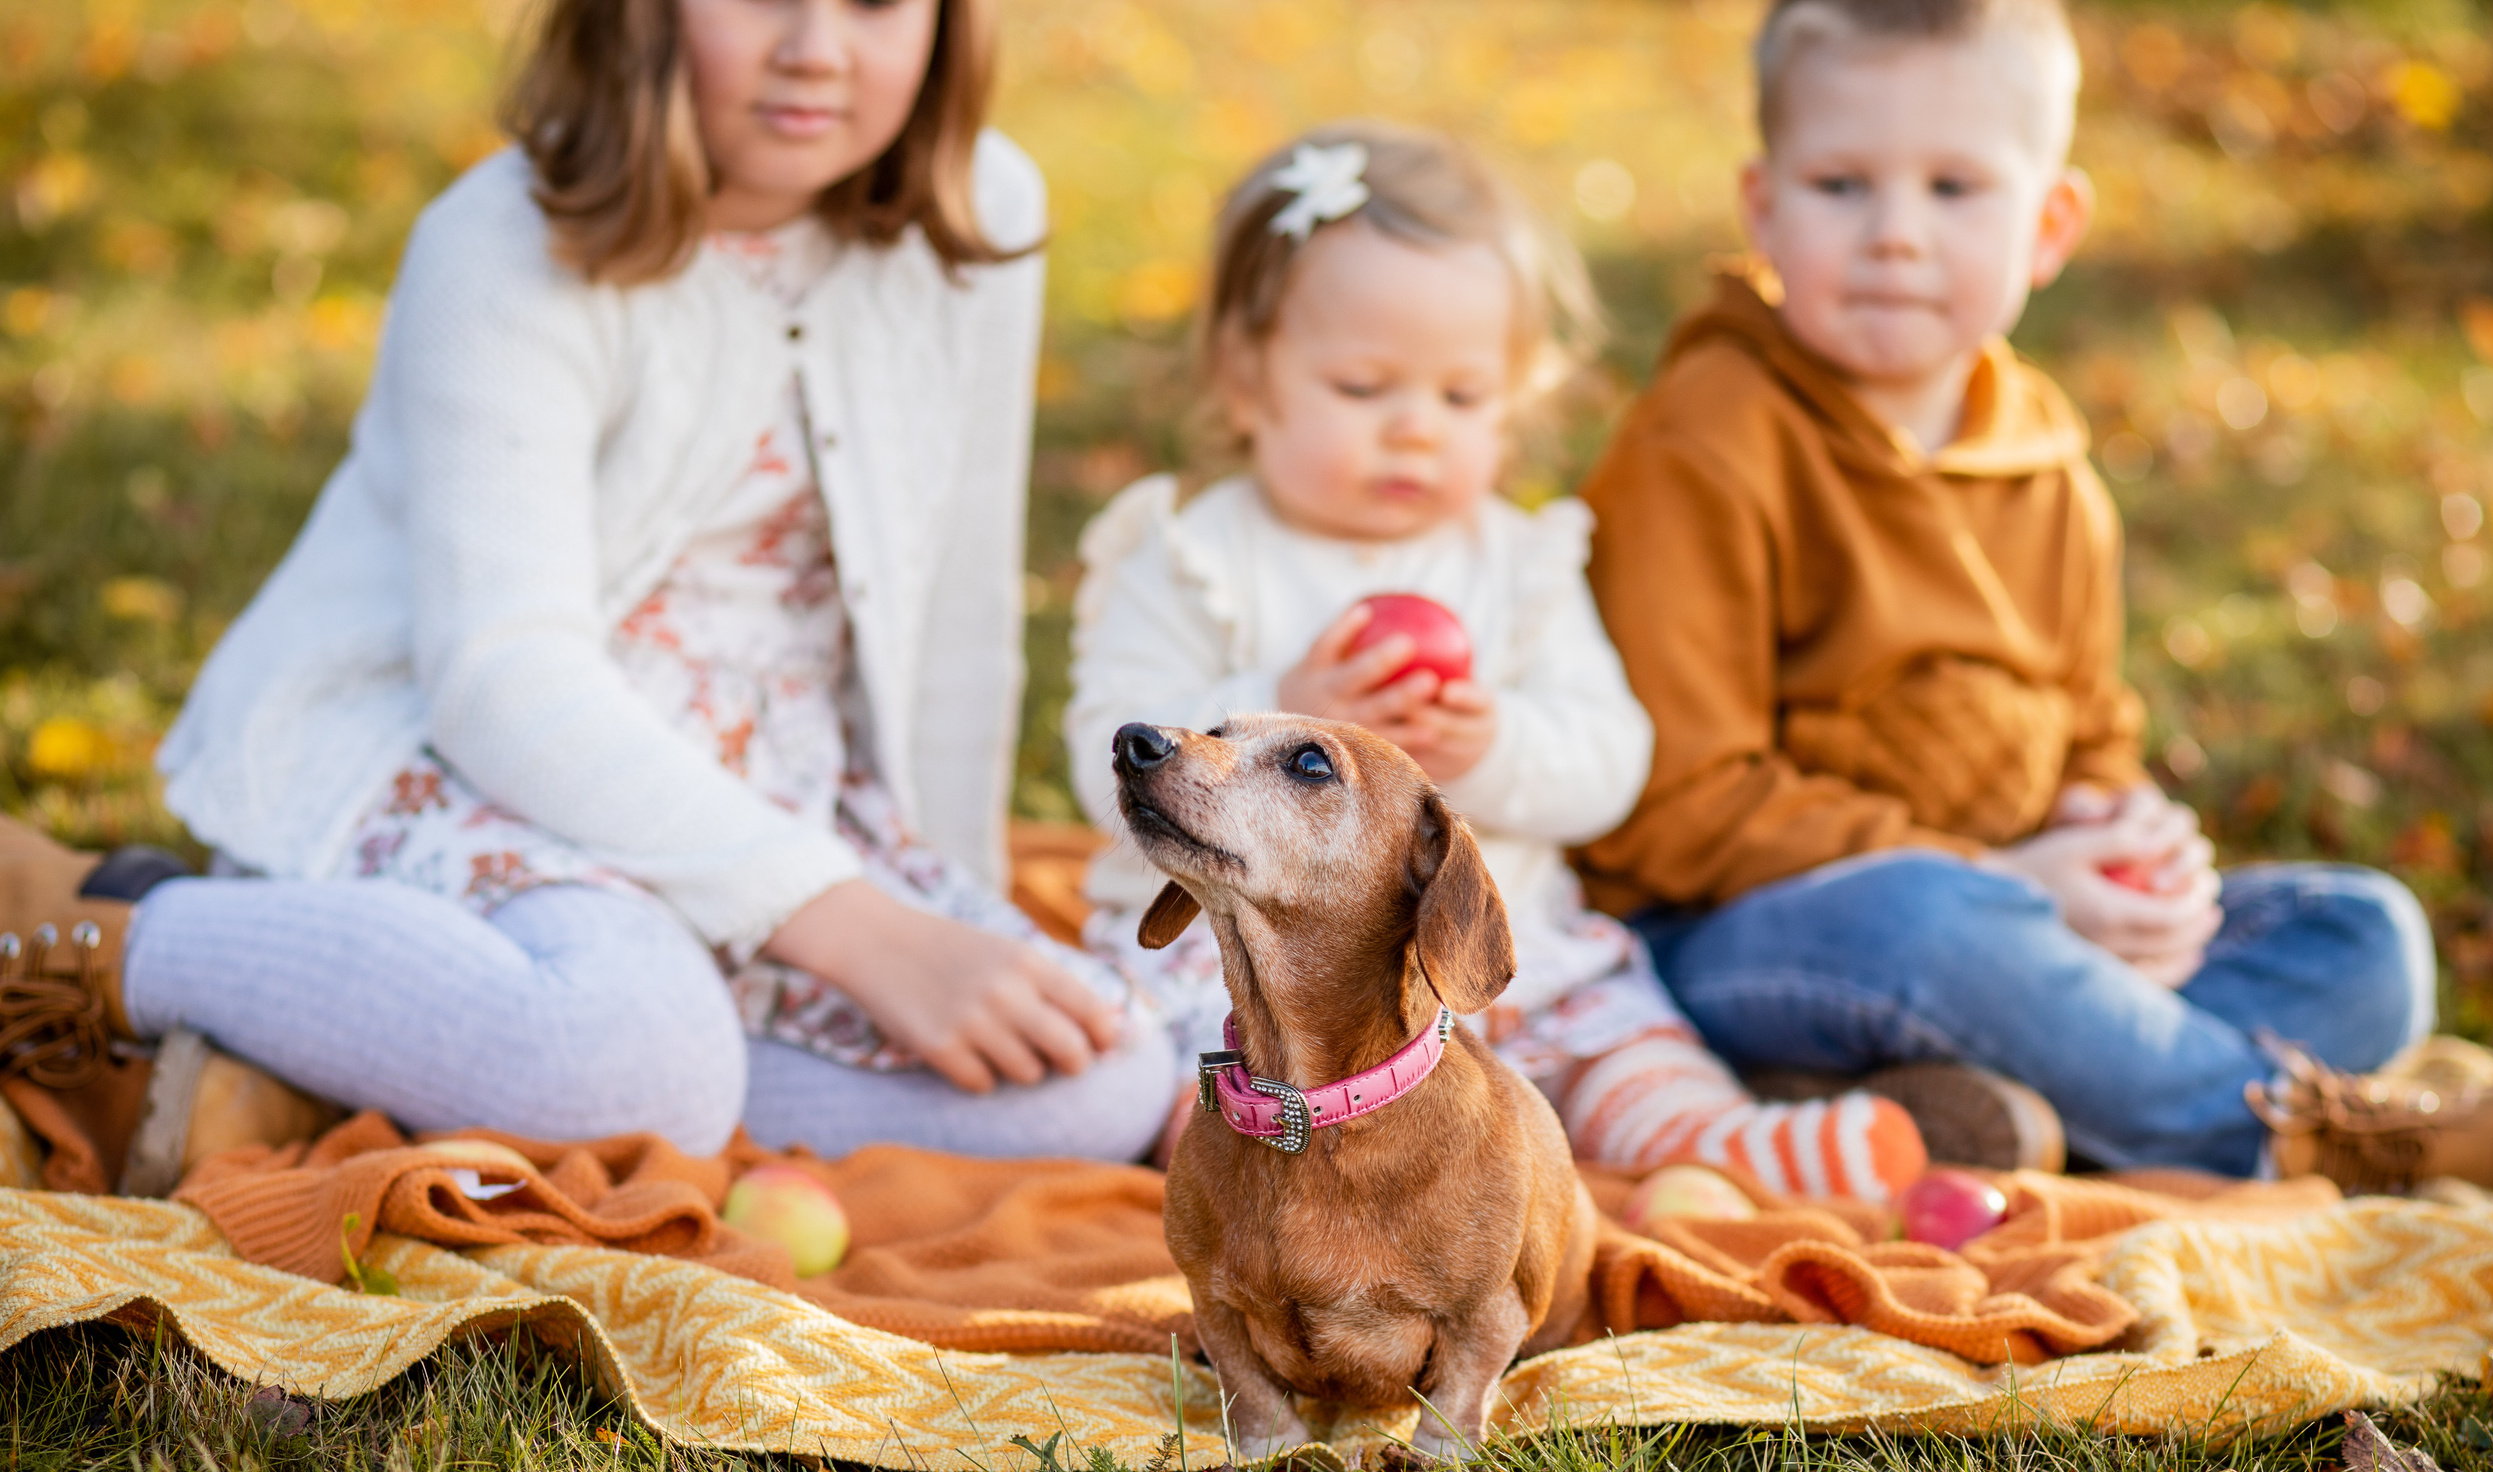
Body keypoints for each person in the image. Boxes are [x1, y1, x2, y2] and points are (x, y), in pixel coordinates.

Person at [0, 0, 1176, 1163]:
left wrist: (943, 919)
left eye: (875, 2)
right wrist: (862, 934)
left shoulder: (979, 208)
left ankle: (358, 1055)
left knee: (1098, 1078)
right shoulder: (503, 245)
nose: (816, 49)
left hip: (767, 781)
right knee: (634, 1062)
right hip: (468, 757)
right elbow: (501, 680)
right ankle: (102, 922)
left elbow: (957, 610)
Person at [1574, 0, 2493, 1186]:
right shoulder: (1707, 437)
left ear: (2049, 226)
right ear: (1762, 207)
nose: (1895, 234)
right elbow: (1676, 806)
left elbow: (2086, 729)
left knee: (2362, 936)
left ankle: (1966, 1108)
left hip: (2019, 930)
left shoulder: (2047, 462)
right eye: (1840, 186)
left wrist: (2120, 837)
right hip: (1751, 944)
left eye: (1953, 189)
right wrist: (1997, 885)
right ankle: (2311, 1140)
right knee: (1927, 926)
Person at [1066, 122, 1933, 1203]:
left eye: (1461, 398)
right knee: (1184, 1064)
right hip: (1249, 970)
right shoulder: (1189, 557)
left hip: (1488, 961)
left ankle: (1728, 1148)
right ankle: (1236, 1173)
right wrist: (1281, 716)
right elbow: (1103, 750)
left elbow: (1610, 759)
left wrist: (1493, 744)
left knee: (1609, 1043)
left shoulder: (1516, 565)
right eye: (1363, 388)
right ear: (1247, 379)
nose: (1414, 431)